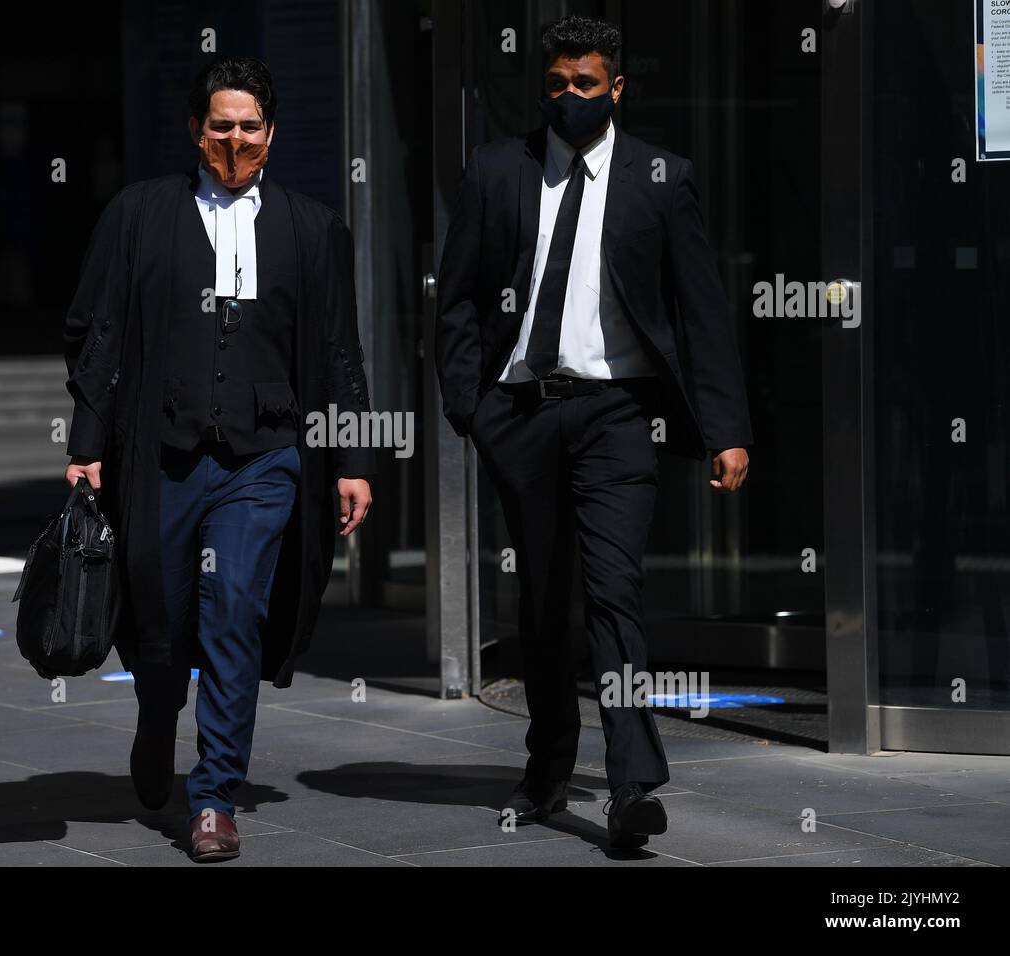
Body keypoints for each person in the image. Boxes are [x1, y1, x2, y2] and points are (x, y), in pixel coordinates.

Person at [435, 15, 753, 849]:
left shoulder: (660, 178)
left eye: (585, 84)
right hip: (522, 413)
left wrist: (726, 429)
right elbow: (458, 299)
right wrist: (472, 406)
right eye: (556, 85)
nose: (569, 98)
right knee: (546, 605)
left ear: (617, 87)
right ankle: (547, 765)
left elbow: (702, 314)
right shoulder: (498, 172)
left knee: (615, 591)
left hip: (618, 415)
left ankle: (630, 785)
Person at [62, 55, 376, 862]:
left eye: (248, 127)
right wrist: (86, 446)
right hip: (160, 456)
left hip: (264, 456)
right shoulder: (138, 216)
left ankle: (214, 798)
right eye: (219, 127)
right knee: (159, 614)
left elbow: (340, 351)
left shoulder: (312, 229)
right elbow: (95, 334)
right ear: (196, 132)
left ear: (271, 134)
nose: (233, 140)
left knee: (234, 607)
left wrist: (349, 457)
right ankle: (158, 711)